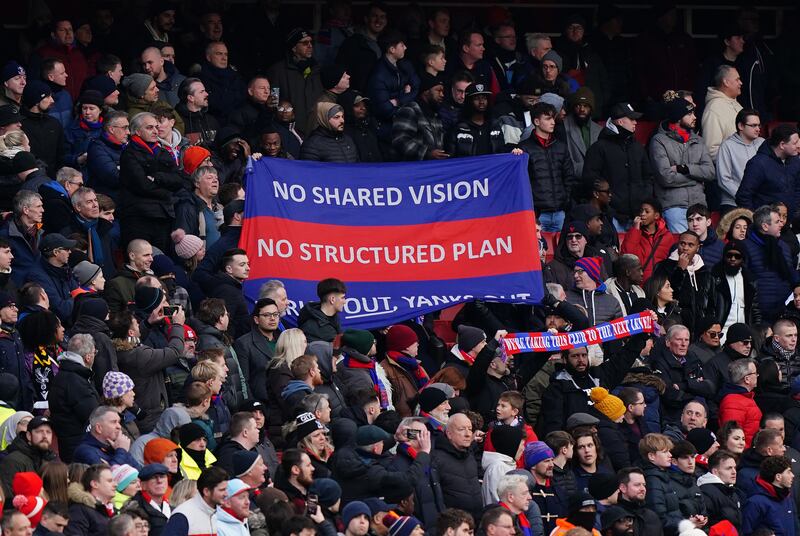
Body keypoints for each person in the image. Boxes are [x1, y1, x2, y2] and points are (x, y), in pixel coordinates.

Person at [119, 112, 187, 253]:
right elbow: (143, 185)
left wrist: (157, 177)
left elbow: (180, 180)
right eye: (150, 127)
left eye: (156, 127)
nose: (156, 131)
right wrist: (167, 191)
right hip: (138, 217)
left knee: (160, 260)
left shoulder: (163, 152)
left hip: (163, 216)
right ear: (137, 131)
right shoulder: (129, 154)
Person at [583, 103, 653, 231]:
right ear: (620, 121)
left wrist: (643, 197)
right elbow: (590, 179)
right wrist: (609, 203)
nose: (635, 122)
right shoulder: (599, 148)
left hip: (637, 216)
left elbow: (648, 177)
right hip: (612, 216)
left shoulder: (637, 147)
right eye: (631, 119)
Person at [650, 99, 715, 233]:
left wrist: (684, 169)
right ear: (678, 118)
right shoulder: (659, 141)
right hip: (674, 206)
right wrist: (696, 177)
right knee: (684, 248)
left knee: (702, 249)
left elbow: (710, 172)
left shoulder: (698, 140)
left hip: (699, 206)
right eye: (690, 114)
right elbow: (666, 177)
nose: (695, 117)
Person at [519, 102, 575, 232]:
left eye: (553, 118)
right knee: (539, 251)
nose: (553, 122)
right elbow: (521, 183)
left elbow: (569, 176)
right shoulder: (524, 148)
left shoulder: (561, 146)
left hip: (560, 212)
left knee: (561, 250)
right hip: (537, 215)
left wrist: (564, 201)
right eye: (548, 118)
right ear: (537, 121)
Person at [48, 334, 101, 462]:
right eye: (95, 352)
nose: (95, 356)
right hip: (78, 447)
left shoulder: (66, 374)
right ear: (88, 357)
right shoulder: (75, 381)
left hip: (70, 444)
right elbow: (93, 415)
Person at [742, 206, 799, 322]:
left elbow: (790, 272)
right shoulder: (745, 247)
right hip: (758, 315)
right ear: (765, 226)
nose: (781, 224)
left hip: (783, 312)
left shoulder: (783, 247)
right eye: (777, 222)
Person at [652, 231, 715, 334]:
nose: (685, 248)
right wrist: (680, 270)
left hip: (700, 330)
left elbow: (711, 303)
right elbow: (663, 296)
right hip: (674, 327)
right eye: (682, 243)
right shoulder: (664, 267)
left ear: (698, 248)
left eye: (691, 245)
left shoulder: (705, 272)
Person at [267, 29, 323, 137]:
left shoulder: (318, 70)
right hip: (289, 132)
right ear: (293, 47)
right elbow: (273, 103)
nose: (310, 46)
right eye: (305, 43)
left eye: (311, 42)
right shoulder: (277, 71)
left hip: (316, 131)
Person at [366, 29, 419, 141]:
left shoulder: (405, 65)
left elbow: (416, 88)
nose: (405, 48)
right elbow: (385, 110)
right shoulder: (378, 75)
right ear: (392, 49)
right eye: (402, 45)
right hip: (388, 129)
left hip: (405, 120)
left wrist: (398, 100)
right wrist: (405, 94)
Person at [736, 124, 800, 214]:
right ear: (782, 145)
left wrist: (794, 214)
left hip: (790, 222)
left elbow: (798, 189)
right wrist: (757, 220)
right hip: (766, 224)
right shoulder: (758, 164)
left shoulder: (795, 160)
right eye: (795, 143)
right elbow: (743, 196)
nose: (799, 145)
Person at [431, 413, 482, 520]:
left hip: (474, 522)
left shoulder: (469, 455)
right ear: (449, 434)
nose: (468, 434)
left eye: (470, 429)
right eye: (462, 429)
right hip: (453, 524)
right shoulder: (436, 459)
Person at [716, 109, 764, 213]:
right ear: (741, 126)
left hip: (760, 202)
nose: (758, 129)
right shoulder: (727, 146)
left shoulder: (762, 143)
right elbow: (724, 180)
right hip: (733, 203)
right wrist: (745, 197)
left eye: (759, 125)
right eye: (753, 125)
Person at [25, 233, 77, 324]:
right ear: (56, 252)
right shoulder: (37, 276)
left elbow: (81, 296)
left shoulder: (66, 270)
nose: (70, 252)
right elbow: (62, 310)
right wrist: (76, 299)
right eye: (67, 249)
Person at [392, 74, 447, 161]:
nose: (442, 95)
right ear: (426, 91)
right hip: (413, 170)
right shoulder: (410, 110)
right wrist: (427, 153)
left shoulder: (436, 115)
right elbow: (400, 141)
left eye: (443, 91)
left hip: (433, 169)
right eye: (438, 90)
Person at [0, 416, 57, 499]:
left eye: (48, 432)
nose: (45, 436)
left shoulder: (51, 460)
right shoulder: (13, 461)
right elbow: (7, 498)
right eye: (39, 431)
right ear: (29, 436)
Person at [163, 466, 228, 535]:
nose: (226, 494)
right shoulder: (182, 516)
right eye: (222, 490)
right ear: (206, 491)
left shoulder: (220, 514)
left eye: (226, 489)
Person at [712, 241, 761, 332]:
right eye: (729, 255)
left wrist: (756, 330)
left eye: (737, 256)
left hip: (744, 331)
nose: (733, 259)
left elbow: (755, 310)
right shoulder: (714, 277)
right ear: (724, 257)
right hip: (721, 330)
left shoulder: (750, 280)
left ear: (742, 258)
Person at [741, 455, 796, 536]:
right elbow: (745, 531)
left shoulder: (787, 498)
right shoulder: (755, 503)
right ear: (778, 477)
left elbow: (795, 527)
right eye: (789, 472)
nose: (793, 475)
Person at [445, 83, 503, 157]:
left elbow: (502, 151)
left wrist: (514, 151)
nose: (481, 102)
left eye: (484, 98)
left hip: (492, 168)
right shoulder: (459, 128)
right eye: (476, 98)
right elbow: (451, 158)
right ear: (469, 102)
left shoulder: (494, 125)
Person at [20, 80, 65, 175]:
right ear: (36, 101)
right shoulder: (19, 125)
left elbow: (62, 154)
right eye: (47, 96)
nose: (52, 100)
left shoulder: (54, 123)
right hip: (29, 181)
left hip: (53, 180)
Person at [72, 406, 139, 468]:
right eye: (113, 422)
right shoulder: (85, 451)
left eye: (119, 422)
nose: (119, 426)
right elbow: (108, 476)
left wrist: (122, 451)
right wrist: (122, 450)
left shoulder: (114, 446)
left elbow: (139, 472)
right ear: (99, 428)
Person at [702, 65, 743, 160]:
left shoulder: (736, 104)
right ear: (726, 82)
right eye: (737, 79)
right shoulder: (714, 109)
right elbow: (711, 150)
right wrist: (738, 159)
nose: (741, 83)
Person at [86, 111, 128, 202]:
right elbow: (114, 178)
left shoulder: (127, 146)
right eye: (125, 128)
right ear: (111, 129)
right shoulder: (97, 149)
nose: (128, 132)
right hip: (110, 201)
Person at [197, 42, 246, 120]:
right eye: (219, 54)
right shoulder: (200, 80)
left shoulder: (236, 77)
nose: (224, 58)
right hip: (213, 123)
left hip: (238, 121)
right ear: (208, 57)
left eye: (226, 54)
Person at [697, 450, 742, 533]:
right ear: (715, 472)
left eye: (734, 468)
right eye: (729, 468)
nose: (734, 472)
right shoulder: (706, 492)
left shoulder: (731, 491)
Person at [64, 464, 116, 536]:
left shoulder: (112, 510)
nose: (115, 484)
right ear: (94, 484)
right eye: (109, 481)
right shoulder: (78, 510)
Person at [563, 88, 602, 177]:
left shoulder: (599, 130)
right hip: (573, 182)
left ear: (591, 109)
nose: (582, 109)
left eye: (586, 106)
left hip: (596, 182)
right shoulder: (563, 127)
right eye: (578, 105)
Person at [616, 467, 663, 536]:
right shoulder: (616, 517)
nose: (643, 489)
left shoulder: (651, 516)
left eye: (644, 485)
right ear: (623, 488)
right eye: (637, 485)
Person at [298, 278, 346, 343]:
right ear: (332, 299)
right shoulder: (310, 327)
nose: (345, 301)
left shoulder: (334, 320)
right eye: (342, 298)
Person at [175, 78, 219, 146]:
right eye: (201, 92)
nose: (206, 94)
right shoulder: (178, 122)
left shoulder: (211, 120)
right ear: (190, 98)